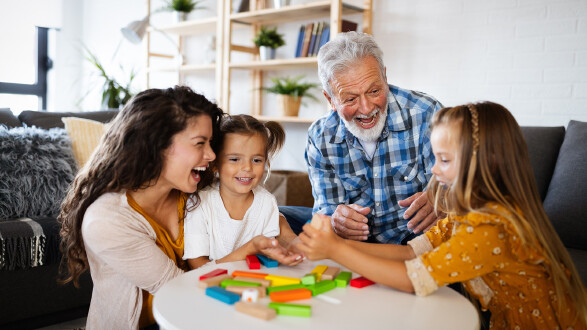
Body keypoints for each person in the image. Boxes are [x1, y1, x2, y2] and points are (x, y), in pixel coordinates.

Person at [298, 102, 587, 329]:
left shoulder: (490, 227)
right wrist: (333, 248)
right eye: (435, 158)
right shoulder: (469, 215)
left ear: (488, 162)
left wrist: (335, 248)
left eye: (445, 160)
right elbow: (412, 254)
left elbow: (414, 279)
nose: (434, 170)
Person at [58, 87, 298, 329]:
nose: (212, 154)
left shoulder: (190, 187)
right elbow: (180, 289)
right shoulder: (106, 220)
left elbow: (247, 205)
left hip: (199, 312)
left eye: (211, 143)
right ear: (157, 145)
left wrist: (284, 229)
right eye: (200, 143)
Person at [281, 31, 444, 244]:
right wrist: (335, 221)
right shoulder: (320, 136)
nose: (366, 108)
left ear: (385, 77)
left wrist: (441, 199)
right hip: (357, 241)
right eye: (350, 99)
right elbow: (326, 211)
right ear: (330, 99)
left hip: (413, 234)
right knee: (278, 216)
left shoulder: (426, 113)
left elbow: (459, 184)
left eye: (374, 91)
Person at [183, 114, 302, 269]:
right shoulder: (200, 203)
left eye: (257, 160)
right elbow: (197, 267)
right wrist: (250, 248)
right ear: (215, 163)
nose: (247, 168)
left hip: (254, 285)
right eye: (234, 159)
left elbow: (269, 257)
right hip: (211, 288)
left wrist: (290, 253)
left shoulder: (266, 202)